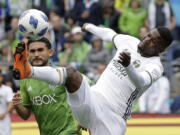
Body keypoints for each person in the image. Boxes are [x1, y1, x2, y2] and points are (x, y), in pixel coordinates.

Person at [12, 23, 173, 135]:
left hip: (113, 116)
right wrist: (88, 27)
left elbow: (141, 81)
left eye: (153, 40)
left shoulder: (156, 66)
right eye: (149, 35)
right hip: (93, 97)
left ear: (161, 47)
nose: (147, 40)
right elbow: (109, 34)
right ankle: (28, 70)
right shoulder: (129, 41)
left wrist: (128, 66)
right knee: (71, 74)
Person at [12, 38, 81, 135]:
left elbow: (90, 90)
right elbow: (25, 115)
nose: (36, 54)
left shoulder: (63, 73)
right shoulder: (25, 80)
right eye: (32, 51)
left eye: (40, 50)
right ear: (27, 54)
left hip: (70, 131)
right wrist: (17, 105)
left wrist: (85, 119)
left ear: (50, 52)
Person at [0, 71, 13, 135]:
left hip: (4, 120)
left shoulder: (7, 89)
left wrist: (4, 113)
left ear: (2, 78)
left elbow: (11, 103)